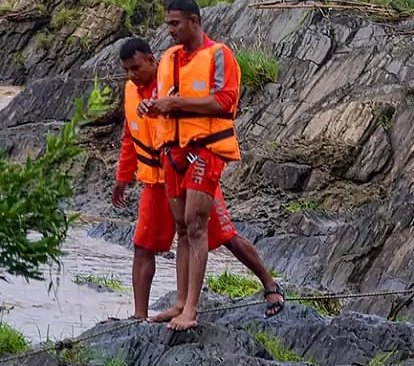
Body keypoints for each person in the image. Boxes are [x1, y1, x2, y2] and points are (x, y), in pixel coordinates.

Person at [114, 38, 285, 321]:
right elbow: (129, 136)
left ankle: (270, 285)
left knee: (223, 236)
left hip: (188, 167)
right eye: (126, 71)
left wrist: (167, 107)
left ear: (150, 59)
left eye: (135, 68)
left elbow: (209, 108)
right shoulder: (132, 91)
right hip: (155, 179)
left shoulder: (172, 80)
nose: (132, 75)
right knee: (143, 246)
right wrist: (122, 177)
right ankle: (139, 316)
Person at [139, 0, 245, 331]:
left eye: (175, 23)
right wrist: (153, 107)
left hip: (205, 150)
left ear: (194, 22)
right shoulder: (169, 58)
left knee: (196, 226)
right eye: (168, 23)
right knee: (182, 229)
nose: (169, 30)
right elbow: (163, 100)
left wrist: (175, 103)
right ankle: (180, 303)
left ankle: (192, 311)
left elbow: (225, 102)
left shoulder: (219, 54)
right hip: (172, 151)